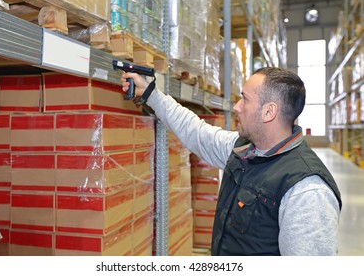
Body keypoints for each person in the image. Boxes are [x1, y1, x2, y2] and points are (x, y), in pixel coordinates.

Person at [120, 67, 342, 256]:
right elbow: (197, 132)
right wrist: (151, 93)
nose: (236, 106)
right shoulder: (244, 149)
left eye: (244, 99)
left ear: (269, 112)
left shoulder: (306, 190)